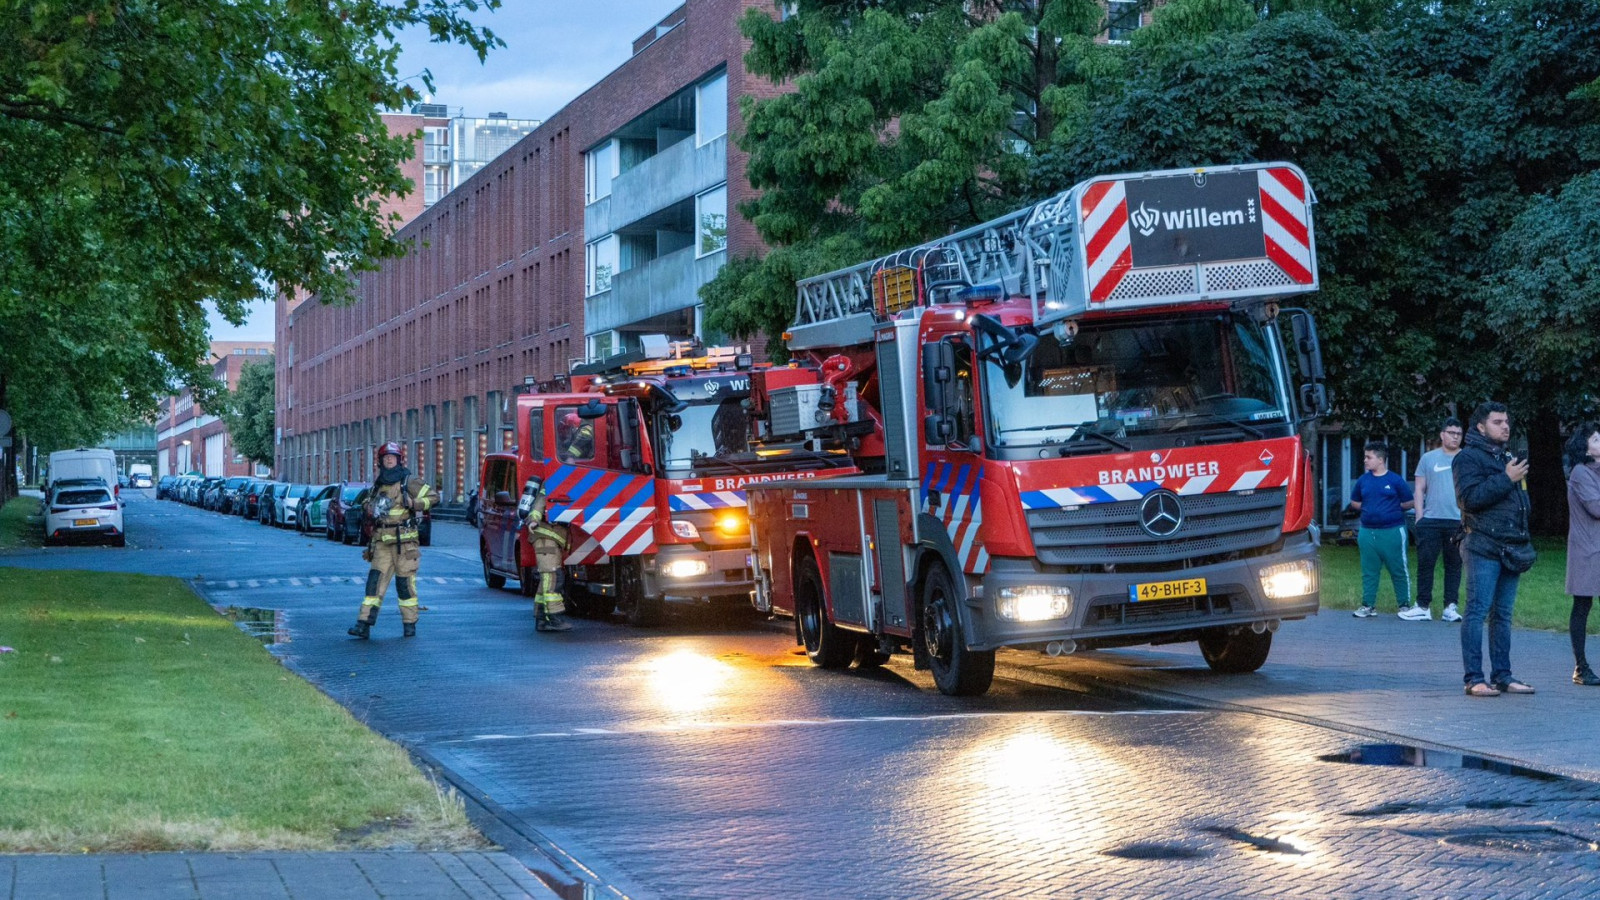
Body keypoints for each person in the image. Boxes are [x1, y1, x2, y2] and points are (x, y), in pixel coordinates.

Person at [1454, 401, 1534, 696]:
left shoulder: (1507, 457)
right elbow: (1469, 499)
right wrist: (1506, 479)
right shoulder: (1467, 458)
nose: (1505, 426)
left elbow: (1518, 500)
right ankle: (1474, 679)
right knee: (1477, 611)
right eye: (1498, 422)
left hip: (1511, 546)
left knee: (1503, 614)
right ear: (1480, 427)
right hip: (1482, 546)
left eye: (1506, 421)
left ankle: (1503, 675)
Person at [347, 442, 435, 639]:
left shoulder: (408, 481)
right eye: (386, 457)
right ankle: (363, 624)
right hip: (382, 544)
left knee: (405, 585)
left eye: (393, 457)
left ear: (398, 459)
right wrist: (369, 507)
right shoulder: (378, 485)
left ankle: (409, 625)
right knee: (374, 584)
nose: (389, 460)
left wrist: (415, 503)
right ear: (381, 461)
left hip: (405, 545)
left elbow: (432, 497)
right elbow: (367, 504)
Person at [1349, 440, 1416, 618]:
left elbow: (1409, 501)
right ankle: (1368, 605)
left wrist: (1392, 509)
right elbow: (1354, 501)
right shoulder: (1363, 481)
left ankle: (1404, 605)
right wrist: (1369, 508)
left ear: (1380, 460)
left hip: (1393, 531)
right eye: (1365, 457)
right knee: (1369, 571)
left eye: (1368, 457)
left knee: (1398, 569)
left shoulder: (1395, 480)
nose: (1365, 460)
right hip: (1367, 532)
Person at [1412, 418, 1466, 622]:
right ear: (1442, 434)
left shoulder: (1466, 458)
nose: (1455, 437)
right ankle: (1423, 606)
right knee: (1426, 563)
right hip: (1431, 520)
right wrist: (1419, 517)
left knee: (1454, 564)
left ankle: (1450, 607)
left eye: (1458, 434)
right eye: (1451, 433)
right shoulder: (1428, 458)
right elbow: (1419, 489)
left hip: (1457, 521)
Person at [1564, 423, 1600, 686]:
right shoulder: (1579, 472)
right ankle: (1581, 666)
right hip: (1588, 549)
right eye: (1597, 439)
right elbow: (1596, 507)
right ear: (1585, 447)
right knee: (1583, 605)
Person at [521, 473, 573, 633]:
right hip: (545, 537)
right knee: (552, 577)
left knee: (546, 579)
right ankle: (554, 618)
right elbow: (539, 503)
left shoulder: (561, 481)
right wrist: (535, 519)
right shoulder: (553, 482)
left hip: (548, 537)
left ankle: (541, 618)